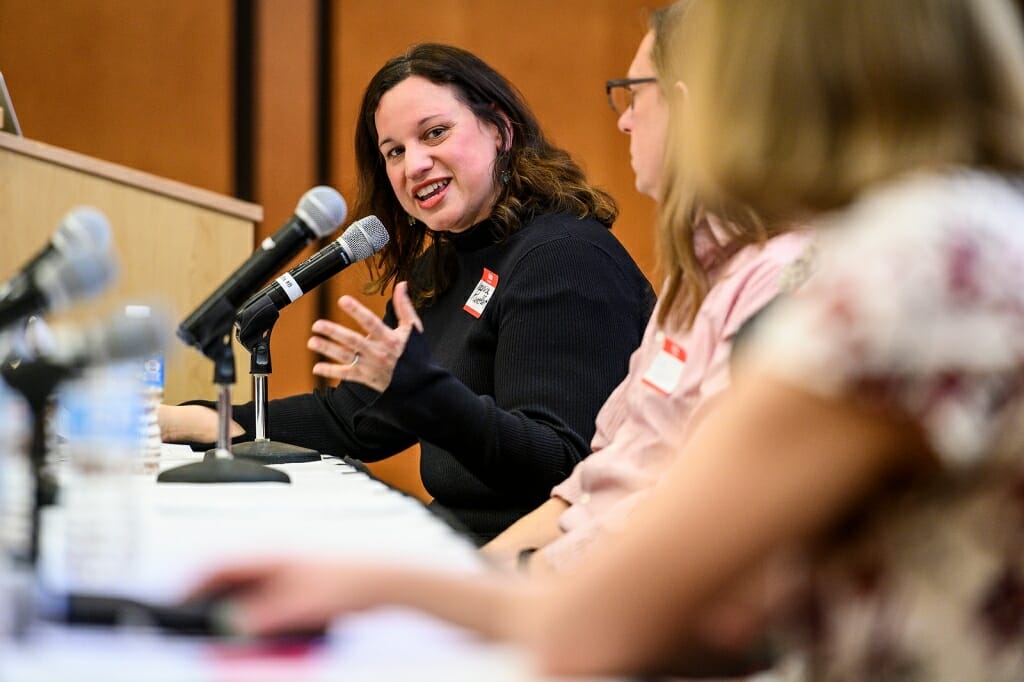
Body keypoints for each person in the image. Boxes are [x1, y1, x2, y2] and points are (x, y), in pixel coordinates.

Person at [160, 43, 655, 544]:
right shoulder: (438, 268)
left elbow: (558, 463)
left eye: (435, 133)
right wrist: (196, 421)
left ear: (501, 130)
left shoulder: (563, 257)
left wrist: (425, 396)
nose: (413, 165)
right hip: (454, 540)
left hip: (535, 565)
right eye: (394, 151)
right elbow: (357, 419)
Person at [483, 3, 809, 576]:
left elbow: (699, 517)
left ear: (685, 104)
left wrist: (525, 582)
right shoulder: (692, 277)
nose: (624, 121)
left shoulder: (780, 279)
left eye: (634, 93)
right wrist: (482, 574)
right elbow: (591, 485)